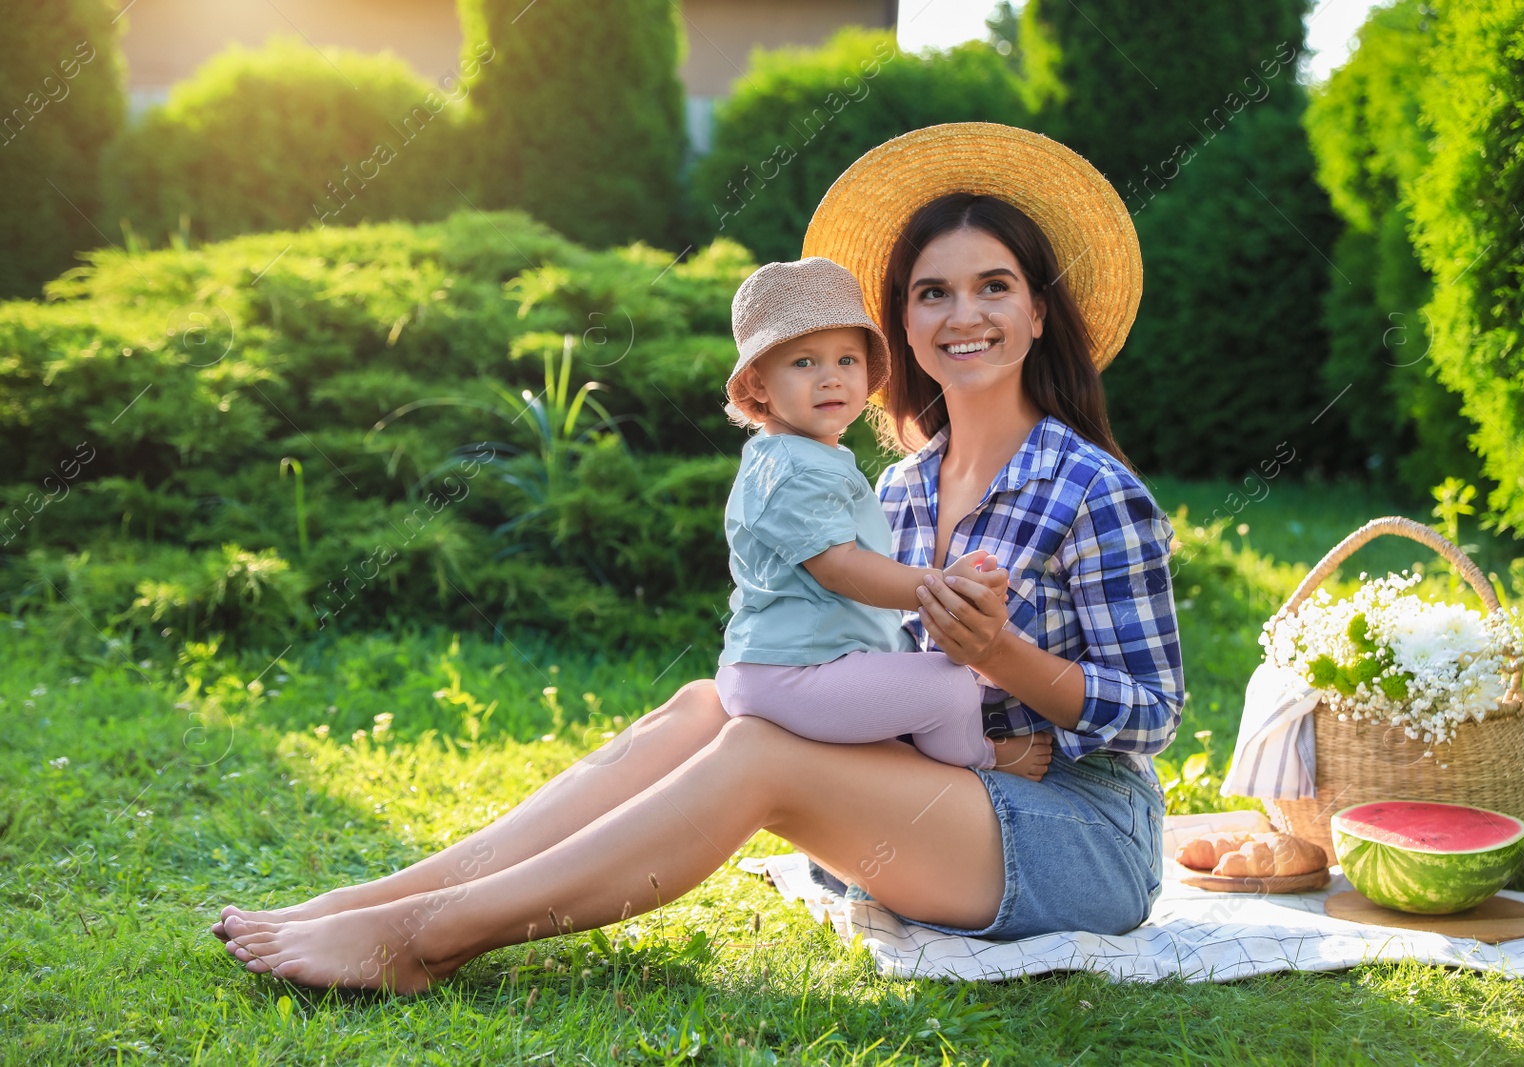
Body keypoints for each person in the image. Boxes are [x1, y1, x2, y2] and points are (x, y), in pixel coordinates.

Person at [212, 122, 1183, 994]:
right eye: (932, 291)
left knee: (756, 745)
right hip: (941, 795)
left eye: (993, 287)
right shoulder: (896, 488)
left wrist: (1002, 655)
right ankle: (376, 900)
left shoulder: (1090, 488)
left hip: (1074, 832)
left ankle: (423, 939)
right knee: (707, 704)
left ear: (1038, 313)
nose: (960, 313)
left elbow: (1152, 712)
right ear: (901, 322)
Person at [715, 254, 1046, 776]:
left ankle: (907, 763)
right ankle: (981, 761)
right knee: (950, 685)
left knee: (907, 672)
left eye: (847, 361)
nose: (830, 379)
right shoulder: (799, 467)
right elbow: (841, 569)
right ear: (757, 384)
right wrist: (939, 587)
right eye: (804, 363)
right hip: (799, 670)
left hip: (777, 666)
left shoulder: (786, 456)